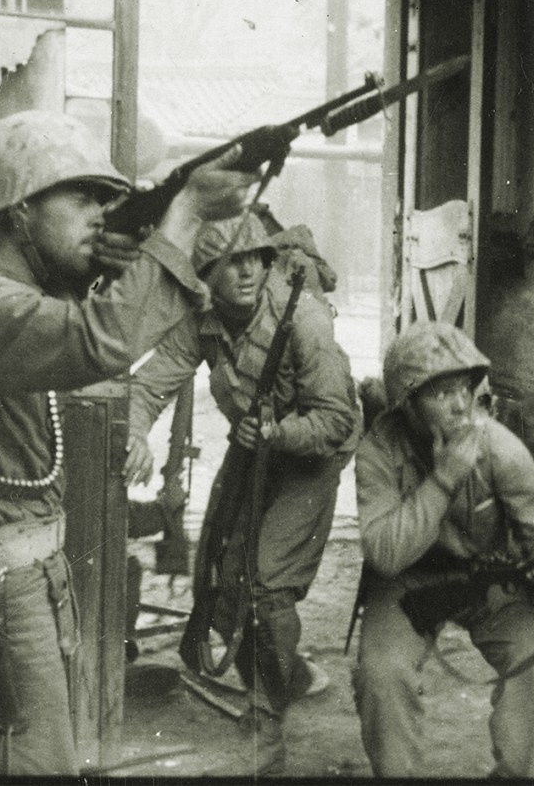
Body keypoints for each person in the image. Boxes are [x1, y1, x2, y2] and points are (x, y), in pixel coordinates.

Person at [0, 109, 257, 776]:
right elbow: (102, 341)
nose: (100, 213)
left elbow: (78, 320)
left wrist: (114, 264)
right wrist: (182, 217)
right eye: (80, 197)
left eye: (104, 199)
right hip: (0, 595)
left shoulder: (2, 293)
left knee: (0, 762)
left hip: (17, 583)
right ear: (18, 213)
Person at [123, 210, 361, 775]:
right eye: (232, 262)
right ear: (208, 272)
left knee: (267, 583)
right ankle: (285, 671)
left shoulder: (302, 318)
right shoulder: (202, 320)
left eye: (255, 258)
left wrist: (279, 433)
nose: (247, 271)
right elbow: (150, 385)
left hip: (311, 456)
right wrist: (134, 433)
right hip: (254, 448)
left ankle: (267, 724)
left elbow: (335, 417)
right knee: (219, 572)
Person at [351, 321, 534, 779]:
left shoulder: (498, 445)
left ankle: (518, 772)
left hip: (487, 577)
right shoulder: (377, 453)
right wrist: (445, 477)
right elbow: (385, 555)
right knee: (382, 674)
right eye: (439, 393)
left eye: (464, 389)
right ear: (407, 403)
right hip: (406, 582)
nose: (458, 405)